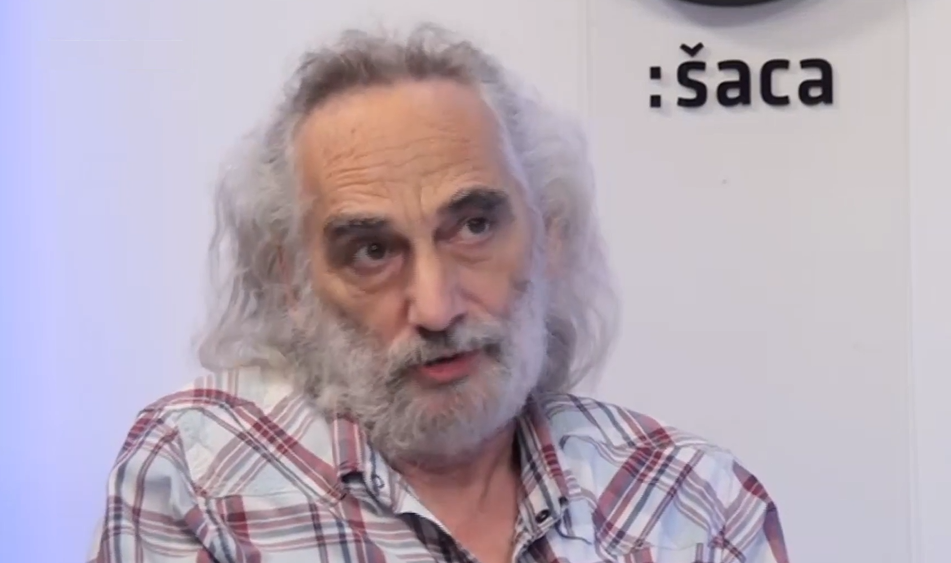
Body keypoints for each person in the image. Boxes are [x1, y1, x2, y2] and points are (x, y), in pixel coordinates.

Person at [87, 24, 789, 563]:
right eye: (372, 251)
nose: (436, 308)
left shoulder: (695, 500)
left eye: (474, 226)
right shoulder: (198, 471)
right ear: (291, 282)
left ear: (549, 236)